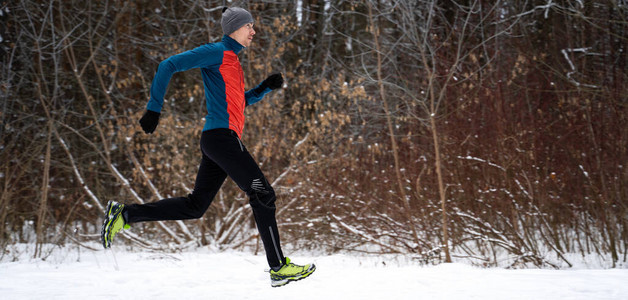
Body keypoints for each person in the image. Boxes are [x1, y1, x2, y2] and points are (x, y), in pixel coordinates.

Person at [101, 6, 315, 287]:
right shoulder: (217, 51)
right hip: (221, 138)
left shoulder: (234, 62)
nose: (253, 31)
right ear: (234, 29)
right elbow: (169, 64)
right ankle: (278, 267)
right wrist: (154, 107)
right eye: (249, 26)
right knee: (263, 193)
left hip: (219, 139)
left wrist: (264, 88)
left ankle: (126, 213)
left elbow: (239, 103)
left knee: (195, 206)